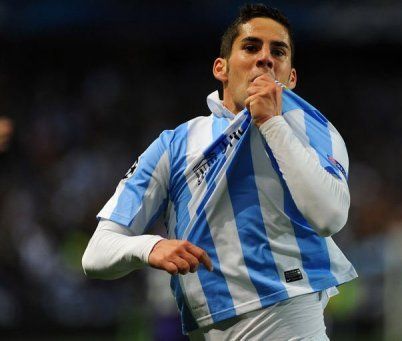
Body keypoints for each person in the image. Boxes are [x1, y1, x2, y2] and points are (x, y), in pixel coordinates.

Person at [82, 4, 357, 340]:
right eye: (251, 47)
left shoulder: (312, 130)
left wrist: (271, 121)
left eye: (278, 51)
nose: (265, 59)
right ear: (221, 68)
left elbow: (329, 217)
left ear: (291, 77)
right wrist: (150, 248)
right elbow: (96, 253)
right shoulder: (175, 146)